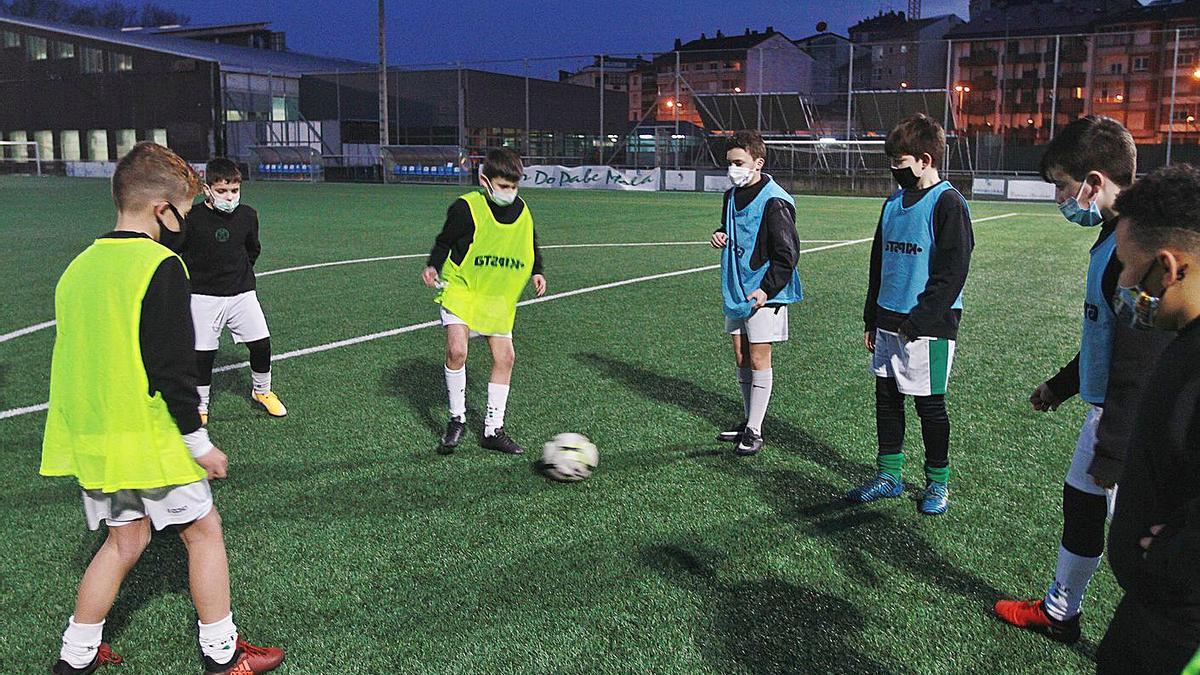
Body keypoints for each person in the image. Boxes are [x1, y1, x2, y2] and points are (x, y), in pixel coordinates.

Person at [41, 142, 283, 674]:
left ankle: (75, 657)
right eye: (185, 209)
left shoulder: (78, 267)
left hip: (95, 436)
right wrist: (199, 443)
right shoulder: (161, 265)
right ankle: (224, 655)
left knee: (124, 541)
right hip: (148, 435)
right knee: (203, 532)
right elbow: (173, 367)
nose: (187, 221)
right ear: (161, 209)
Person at [995, 116, 1171, 644]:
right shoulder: (1114, 235)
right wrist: (1061, 386)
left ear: (1094, 182)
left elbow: (1144, 354)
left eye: (1063, 187)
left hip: (1136, 423)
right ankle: (1061, 612)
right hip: (1112, 413)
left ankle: (1162, 639)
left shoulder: (1138, 248)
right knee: (1082, 501)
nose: (1060, 199)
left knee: (1148, 544)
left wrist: (1115, 446)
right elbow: (1108, 335)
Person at [1095, 163, 1200, 674]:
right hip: (1154, 608)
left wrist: (1180, 550)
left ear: (1168, 268)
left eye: (1127, 267)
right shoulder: (1183, 341)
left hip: (1180, 632)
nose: (1123, 283)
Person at [847, 113, 973, 516]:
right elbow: (878, 264)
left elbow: (953, 272)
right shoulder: (893, 202)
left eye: (899, 163)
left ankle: (938, 483)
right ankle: (889, 476)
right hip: (887, 321)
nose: (893, 171)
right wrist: (872, 316)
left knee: (930, 406)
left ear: (924, 159)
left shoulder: (948, 203)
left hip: (927, 326)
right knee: (887, 400)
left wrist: (918, 320)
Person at [421, 147, 546, 455]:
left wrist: (537, 271)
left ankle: (493, 429)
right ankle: (457, 419)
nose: (510, 193)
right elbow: (444, 241)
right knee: (457, 351)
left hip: (496, 294)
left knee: (506, 358)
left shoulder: (522, 210)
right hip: (464, 288)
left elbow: (529, 242)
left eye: (514, 186)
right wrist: (433, 265)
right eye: (504, 186)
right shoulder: (466, 208)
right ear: (485, 181)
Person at [710, 130, 803, 456]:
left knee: (760, 357)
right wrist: (721, 234)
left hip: (765, 291)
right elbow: (728, 227)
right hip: (737, 287)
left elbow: (788, 254)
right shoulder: (731, 195)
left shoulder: (776, 201)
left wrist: (766, 289)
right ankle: (748, 417)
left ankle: (755, 429)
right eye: (730, 163)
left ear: (757, 162)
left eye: (739, 162)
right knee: (741, 355)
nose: (733, 169)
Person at [180, 157, 286, 424]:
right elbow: (177, 252)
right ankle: (200, 404)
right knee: (202, 354)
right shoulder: (191, 218)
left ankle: (262, 391)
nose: (229, 197)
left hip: (241, 293)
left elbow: (253, 249)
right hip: (203, 296)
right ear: (207, 190)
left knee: (261, 344)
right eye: (222, 191)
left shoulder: (248, 216)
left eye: (234, 191)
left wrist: (241, 273)